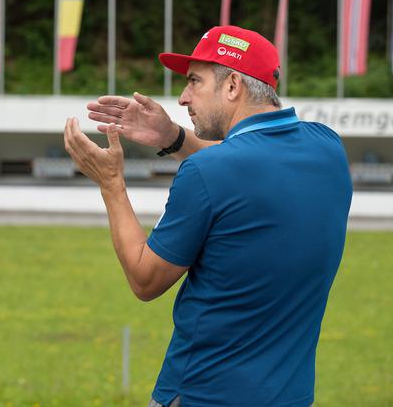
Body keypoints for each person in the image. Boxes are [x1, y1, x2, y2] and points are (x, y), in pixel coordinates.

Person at [64, 25, 352, 407]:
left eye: (194, 82)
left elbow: (145, 279)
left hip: (204, 394)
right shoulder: (327, 146)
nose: (183, 98)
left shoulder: (207, 173)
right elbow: (250, 164)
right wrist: (173, 136)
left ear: (232, 86)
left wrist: (111, 182)